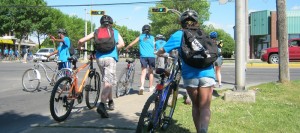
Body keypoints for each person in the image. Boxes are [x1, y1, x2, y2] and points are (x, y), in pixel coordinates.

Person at [156, 9, 216, 133]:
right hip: (207, 73)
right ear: (196, 22)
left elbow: (163, 50)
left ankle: (198, 129)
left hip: (190, 75)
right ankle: (203, 130)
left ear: (181, 22)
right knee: (205, 107)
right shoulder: (203, 33)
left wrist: (158, 53)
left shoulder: (179, 34)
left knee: (196, 106)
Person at [78, 15, 125, 118]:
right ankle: (102, 104)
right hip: (111, 59)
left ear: (101, 23)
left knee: (107, 81)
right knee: (108, 82)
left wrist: (79, 48)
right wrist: (113, 48)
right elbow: (122, 44)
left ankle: (111, 101)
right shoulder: (115, 32)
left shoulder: (96, 31)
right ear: (111, 23)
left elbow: (81, 41)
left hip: (99, 59)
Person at [125, 24, 156, 95]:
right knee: (151, 72)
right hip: (151, 56)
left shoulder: (140, 37)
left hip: (143, 56)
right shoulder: (152, 37)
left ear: (142, 30)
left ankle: (142, 87)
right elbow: (154, 46)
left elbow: (131, 44)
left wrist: (127, 48)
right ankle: (150, 87)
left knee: (143, 72)